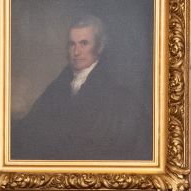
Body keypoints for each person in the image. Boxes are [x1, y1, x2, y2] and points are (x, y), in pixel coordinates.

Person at [11, 14, 151, 161]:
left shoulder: (116, 94)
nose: (76, 52)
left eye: (84, 43)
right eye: (72, 44)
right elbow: (31, 126)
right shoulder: (58, 86)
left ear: (99, 47)